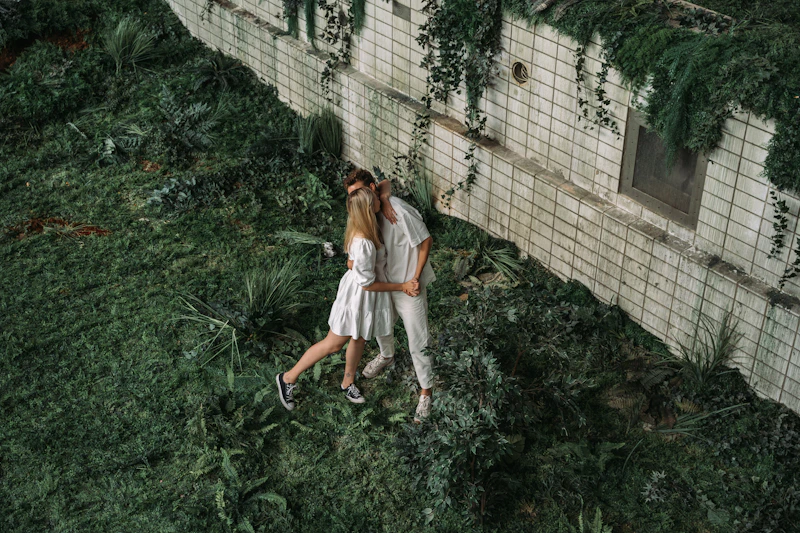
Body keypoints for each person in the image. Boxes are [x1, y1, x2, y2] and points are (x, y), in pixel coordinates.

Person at [276, 187, 419, 411]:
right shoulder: (363, 241)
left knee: (360, 338)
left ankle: (347, 382)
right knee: (333, 344)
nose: (379, 198)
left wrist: (383, 199)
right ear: (367, 208)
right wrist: (402, 286)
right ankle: (287, 378)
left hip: (368, 295)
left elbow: (384, 184)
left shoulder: (366, 224)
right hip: (361, 295)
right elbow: (368, 283)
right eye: (375, 200)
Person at [343, 169, 436, 423]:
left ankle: (426, 391)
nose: (355, 200)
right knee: (381, 326)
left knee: (418, 340)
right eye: (352, 196)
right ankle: (386, 355)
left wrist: (414, 279)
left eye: (360, 192)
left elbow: (425, 241)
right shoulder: (366, 212)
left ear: (372, 188)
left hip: (408, 286)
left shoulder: (399, 212)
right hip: (383, 284)